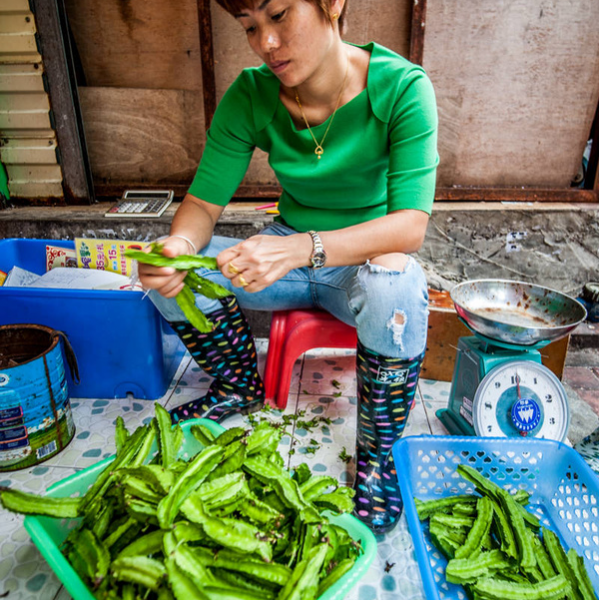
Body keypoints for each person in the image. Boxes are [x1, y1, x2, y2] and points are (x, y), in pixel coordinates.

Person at [138, 0, 438, 533]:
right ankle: (236, 387)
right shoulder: (251, 95)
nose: (265, 43)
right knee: (175, 270)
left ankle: (376, 460)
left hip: (360, 262)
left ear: (333, 4)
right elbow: (204, 206)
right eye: (250, 26)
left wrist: (304, 248)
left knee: (398, 285)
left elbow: (410, 226)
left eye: (279, 15)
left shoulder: (402, 88)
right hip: (287, 258)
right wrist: (178, 244)